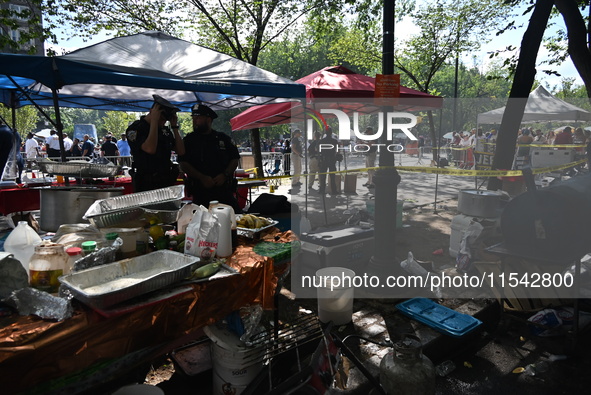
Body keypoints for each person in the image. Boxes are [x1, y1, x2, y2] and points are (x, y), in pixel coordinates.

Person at [180, 104, 240, 212]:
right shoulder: (189, 140)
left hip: (223, 191)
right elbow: (183, 163)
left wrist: (225, 175)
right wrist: (201, 177)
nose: (194, 121)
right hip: (200, 192)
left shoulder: (223, 138)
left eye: (198, 118)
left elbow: (234, 159)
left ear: (208, 119)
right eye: (193, 118)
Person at [126, 95, 185, 193]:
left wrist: (174, 128)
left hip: (165, 181)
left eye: (165, 120)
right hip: (146, 183)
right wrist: (154, 121)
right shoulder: (136, 128)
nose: (163, 122)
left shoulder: (164, 130)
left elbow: (181, 151)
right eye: (161, 119)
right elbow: (150, 149)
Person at [318, 126, 339, 195]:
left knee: (323, 176)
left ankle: (322, 190)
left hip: (324, 159)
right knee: (332, 176)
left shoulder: (321, 141)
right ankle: (334, 190)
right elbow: (337, 150)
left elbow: (317, 150)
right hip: (332, 159)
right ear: (331, 132)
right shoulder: (334, 141)